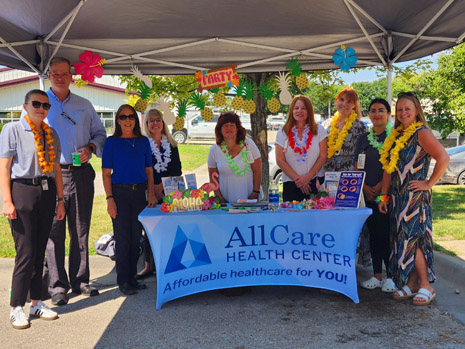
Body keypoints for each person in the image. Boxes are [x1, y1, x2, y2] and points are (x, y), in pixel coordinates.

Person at [0, 90, 65, 329]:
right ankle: (17, 306)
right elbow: (4, 168)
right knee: (25, 252)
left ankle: (36, 302)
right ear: (25, 106)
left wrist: (60, 199)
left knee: (39, 252)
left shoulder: (52, 133)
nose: (41, 108)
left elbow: (56, 168)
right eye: (36, 104)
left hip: (46, 192)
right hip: (22, 191)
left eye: (45, 105)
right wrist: (6, 200)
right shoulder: (12, 130)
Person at [44, 57, 107, 305]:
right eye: (55, 74)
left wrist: (91, 147)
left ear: (72, 76)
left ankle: (80, 280)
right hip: (51, 174)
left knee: (80, 229)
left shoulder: (84, 105)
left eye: (64, 74)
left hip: (81, 173)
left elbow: (100, 134)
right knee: (54, 231)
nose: (60, 78)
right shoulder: (39, 103)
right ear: (49, 75)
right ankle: (57, 286)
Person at [378, 92, 449, 305]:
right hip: (398, 197)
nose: (403, 113)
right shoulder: (397, 134)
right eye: (399, 109)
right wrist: (383, 195)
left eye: (407, 108)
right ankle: (412, 282)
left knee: (414, 240)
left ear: (416, 110)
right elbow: (388, 169)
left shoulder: (421, 133)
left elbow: (443, 158)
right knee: (402, 240)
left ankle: (427, 285)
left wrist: (428, 183)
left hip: (414, 197)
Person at [102, 104, 157, 295]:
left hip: (139, 193)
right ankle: (123, 280)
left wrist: (151, 193)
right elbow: (106, 174)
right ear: (117, 120)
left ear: (136, 119)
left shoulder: (143, 142)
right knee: (123, 239)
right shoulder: (111, 143)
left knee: (136, 239)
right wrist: (110, 199)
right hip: (119, 194)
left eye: (131, 116)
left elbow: (149, 170)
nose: (127, 120)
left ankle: (132, 277)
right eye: (123, 117)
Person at [354, 98, 395, 293]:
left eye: (381, 110)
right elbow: (357, 164)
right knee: (374, 234)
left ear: (388, 113)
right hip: (366, 193)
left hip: (386, 194)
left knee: (386, 235)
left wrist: (379, 188)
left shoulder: (394, 137)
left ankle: (390, 276)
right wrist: (364, 188)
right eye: (373, 110)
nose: (377, 114)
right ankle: (377, 275)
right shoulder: (363, 138)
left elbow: (393, 167)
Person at [136, 108, 182, 280]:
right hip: (148, 193)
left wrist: (163, 188)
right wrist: (153, 189)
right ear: (147, 124)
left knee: (168, 228)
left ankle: (168, 263)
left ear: (163, 123)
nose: (155, 123)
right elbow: (142, 168)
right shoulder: (142, 143)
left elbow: (177, 169)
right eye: (151, 120)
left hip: (168, 192)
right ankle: (148, 265)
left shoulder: (172, 144)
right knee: (149, 228)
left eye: (158, 120)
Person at [275, 95, 327, 202]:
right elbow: (280, 160)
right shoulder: (283, 132)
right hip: (291, 183)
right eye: (296, 108)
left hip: (314, 182)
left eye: (303, 108)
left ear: (309, 111)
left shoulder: (319, 130)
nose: (299, 111)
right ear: (291, 111)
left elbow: (323, 156)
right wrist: (298, 180)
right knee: (292, 217)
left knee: (314, 217)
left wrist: (307, 178)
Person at [207, 112, 262, 203]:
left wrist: (255, 192)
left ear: (237, 128)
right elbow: (212, 178)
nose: (229, 128)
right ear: (220, 129)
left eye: (232, 125)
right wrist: (219, 197)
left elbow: (257, 170)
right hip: (226, 200)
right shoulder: (214, 150)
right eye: (225, 125)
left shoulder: (248, 145)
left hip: (249, 198)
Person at [324, 86, 366, 172]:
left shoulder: (361, 127)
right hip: (328, 174)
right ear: (336, 101)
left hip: (349, 175)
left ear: (354, 105)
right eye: (342, 100)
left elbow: (363, 155)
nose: (344, 104)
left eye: (349, 101)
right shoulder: (326, 125)